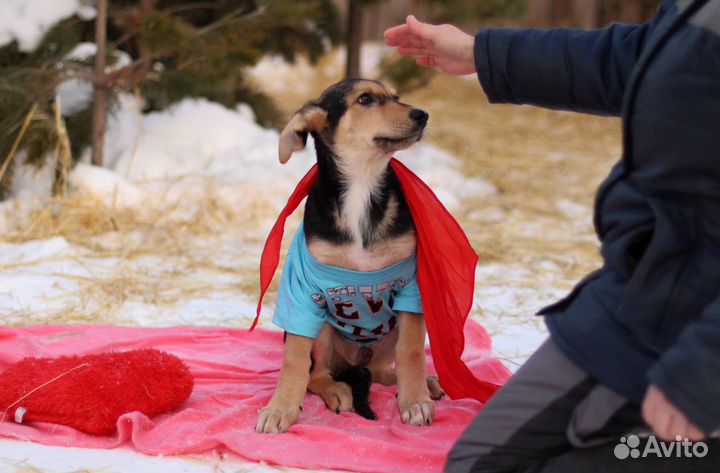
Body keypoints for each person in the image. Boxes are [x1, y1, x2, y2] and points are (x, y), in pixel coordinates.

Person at [385, 1, 720, 472]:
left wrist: (700, 375)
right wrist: (483, 54)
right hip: (647, 285)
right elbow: (643, 55)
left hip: (697, 318)